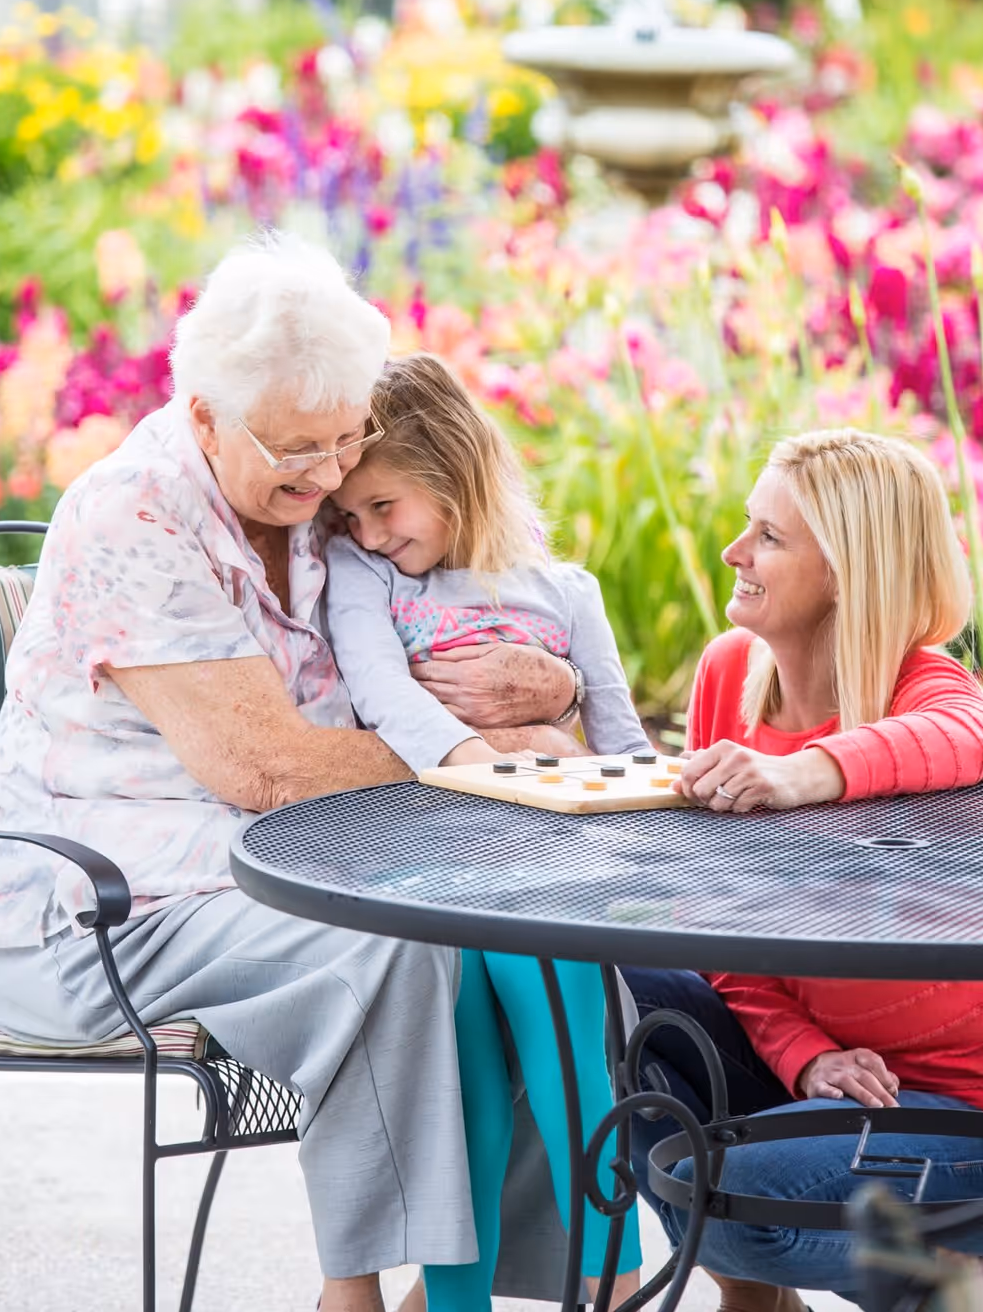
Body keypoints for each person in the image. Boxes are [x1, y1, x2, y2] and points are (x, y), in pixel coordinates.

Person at [0, 232, 591, 1312]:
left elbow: (467, 657)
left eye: (347, 441)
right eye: (300, 449)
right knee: (399, 953)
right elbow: (267, 770)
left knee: (536, 927)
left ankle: (562, 1272)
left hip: (296, 866)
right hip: (101, 911)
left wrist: (552, 695)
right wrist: (483, 758)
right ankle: (362, 1295)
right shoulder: (135, 514)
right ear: (203, 413)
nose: (334, 475)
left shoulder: (329, 510)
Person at [620, 427, 983, 1312]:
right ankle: (779, 1296)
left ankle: (951, 1286)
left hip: (963, 1102)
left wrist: (805, 773)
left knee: (730, 1205)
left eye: (770, 536)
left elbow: (979, 734)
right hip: (819, 1060)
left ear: (845, 570)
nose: (735, 552)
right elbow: (717, 919)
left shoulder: (924, 686)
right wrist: (804, 1058)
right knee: (599, 987)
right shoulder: (731, 675)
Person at [326, 352, 648, 1312]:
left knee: (565, 1028)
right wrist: (496, 766)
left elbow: (624, 745)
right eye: (352, 516)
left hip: (554, 878)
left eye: (385, 507)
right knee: (462, 1068)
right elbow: (381, 693)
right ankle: (458, 1302)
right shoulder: (364, 577)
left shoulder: (567, 592)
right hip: (432, 868)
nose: (370, 533)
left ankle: (613, 1280)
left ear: (455, 468)